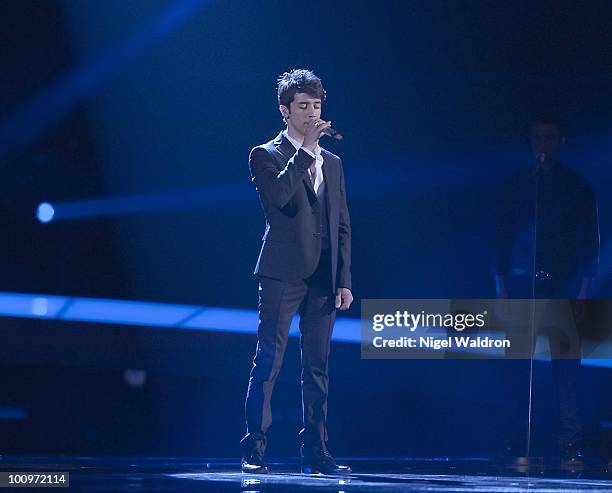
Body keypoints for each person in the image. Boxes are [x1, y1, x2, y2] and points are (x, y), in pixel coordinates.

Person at [240, 69, 353, 475]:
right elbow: (280, 200)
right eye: (303, 107)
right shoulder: (264, 155)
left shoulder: (334, 163)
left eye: (316, 106)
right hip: (282, 272)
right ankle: (255, 448)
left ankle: (317, 452)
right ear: (285, 111)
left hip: (323, 276)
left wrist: (344, 279)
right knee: (269, 360)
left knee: (317, 366)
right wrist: (305, 150)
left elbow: (342, 223)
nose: (311, 114)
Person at [494, 113, 600, 463]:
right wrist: (503, 284)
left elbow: (589, 238)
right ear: (531, 141)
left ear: (561, 142)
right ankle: (516, 442)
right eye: (538, 138)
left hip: (565, 284)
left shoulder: (576, 185)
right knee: (519, 369)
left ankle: (570, 445)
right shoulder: (519, 184)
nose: (543, 144)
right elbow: (501, 235)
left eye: (550, 138)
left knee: (566, 369)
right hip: (524, 283)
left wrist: (585, 287)